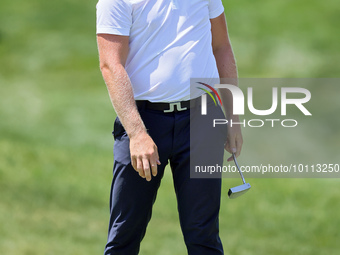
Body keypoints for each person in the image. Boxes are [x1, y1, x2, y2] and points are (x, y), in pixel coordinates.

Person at [96, 0, 243, 254]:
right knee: (124, 236)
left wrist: (233, 117)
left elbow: (221, 47)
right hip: (144, 121)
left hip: (202, 118)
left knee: (204, 236)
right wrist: (137, 133)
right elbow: (111, 65)